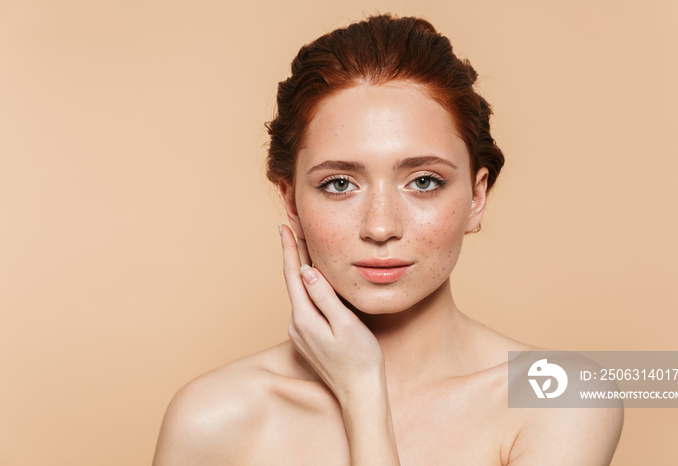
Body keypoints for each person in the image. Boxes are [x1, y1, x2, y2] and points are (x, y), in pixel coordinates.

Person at [153, 14, 623, 465]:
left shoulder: (559, 394)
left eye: (423, 181)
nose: (380, 228)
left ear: (477, 197)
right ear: (292, 202)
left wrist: (363, 393)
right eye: (339, 184)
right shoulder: (215, 417)